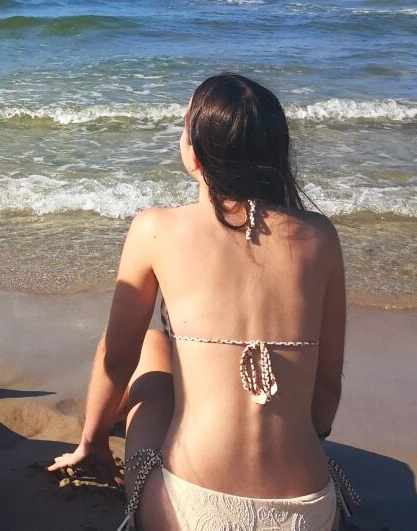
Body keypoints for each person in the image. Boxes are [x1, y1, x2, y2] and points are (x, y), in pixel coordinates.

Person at [50, 73, 356, 530]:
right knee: (164, 345)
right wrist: (305, 439)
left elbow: (115, 359)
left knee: (149, 362)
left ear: (194, 154)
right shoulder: (320, 236)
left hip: (194, 509)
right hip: (308, 510)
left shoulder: (156, 228)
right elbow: (327, 385)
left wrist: (91, 443)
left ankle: (104, 436)